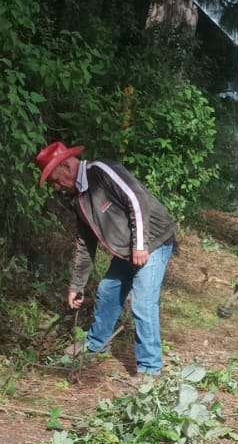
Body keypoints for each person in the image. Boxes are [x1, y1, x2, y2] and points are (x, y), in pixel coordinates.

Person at [35, 141, 176, 376]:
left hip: (153, 241)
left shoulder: (101, 172)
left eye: (55, 180)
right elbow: (84, 244)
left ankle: (150, 370)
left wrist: (140, 244)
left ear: (67, 167)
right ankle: (96, 344)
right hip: (128, 250)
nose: (57, 187)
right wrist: (76, 287)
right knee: (107, 290)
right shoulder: (79, 199)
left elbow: (136, 199)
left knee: (142, 302)